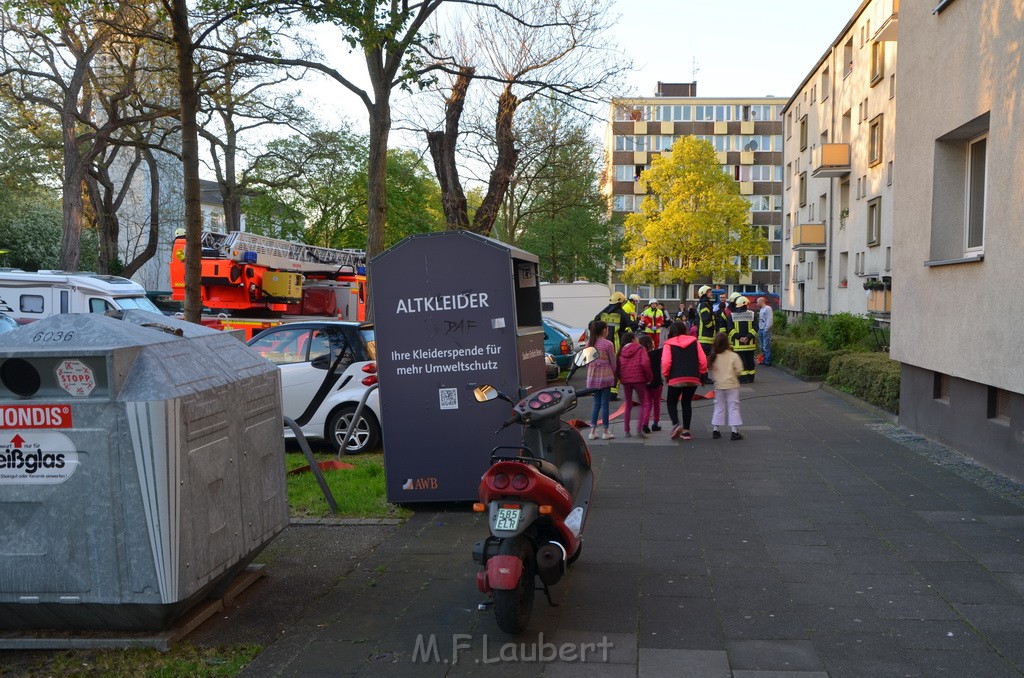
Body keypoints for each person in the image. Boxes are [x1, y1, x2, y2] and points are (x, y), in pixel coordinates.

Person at [661, 320, 707, 441]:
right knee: (686, 403)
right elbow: (703, 360)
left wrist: (666, 375)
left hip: (676, 378)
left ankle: (676, 424)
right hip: (693, 377)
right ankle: (686, 432)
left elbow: (666, 362)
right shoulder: (694, 341)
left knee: (671, 402)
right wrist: (701, 373)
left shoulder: (668, 344)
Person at [595, 292, 636, 399]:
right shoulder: (621, 314)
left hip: (601, 346)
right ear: (620, 302)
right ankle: (612, 393)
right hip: (615, 346)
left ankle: (601, 390)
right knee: (616, 368)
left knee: (602, 367)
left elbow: (592, 323)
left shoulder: (602, 314)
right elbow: (633, 325)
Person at [707, 332, 744, 440]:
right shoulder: (733, 355)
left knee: (719, 407)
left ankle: (716, 429)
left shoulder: (714, 356)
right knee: (733, 407)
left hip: (719, 386)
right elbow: (739, 370)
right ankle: (734, 431)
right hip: (732, 385)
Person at [616, 331, 652, 438]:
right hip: (639, 379)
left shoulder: (621, 351)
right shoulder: (641, 349)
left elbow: (617, 367)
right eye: (635, 337)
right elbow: (645, 363)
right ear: (633, 340)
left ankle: (626, 430)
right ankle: (639, 429)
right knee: (643, 403)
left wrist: (620, 378)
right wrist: (649, 377)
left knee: (628, 404)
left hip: (626, 381)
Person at [585, 321, 617, 441]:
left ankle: (592, 431)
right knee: (605, 404)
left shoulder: (589, 343)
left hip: (592, 377)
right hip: (605, 377)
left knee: (596, 403)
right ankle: (605, 431)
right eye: (607, 328)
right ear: (604, 330)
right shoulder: (608, 344)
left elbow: (587, 363)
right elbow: (613, 362)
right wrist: (614, 373)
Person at [729, 296, 758, 383]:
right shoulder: (752, 314)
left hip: (738, 345)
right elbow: (755, 328)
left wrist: (740, 338)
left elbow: (730, 329)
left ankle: (743, 379)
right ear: (745, 304)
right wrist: (747, 337)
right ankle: (751, 378)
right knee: (750, 362)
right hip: (750, 344)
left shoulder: (732, 315)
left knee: (741, 362)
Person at [638, 334, 663, 433]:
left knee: (647, 404)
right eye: (652, 340)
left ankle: (645, 423)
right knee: (657, 403)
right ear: (649, 344)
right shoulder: (656, 353)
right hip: (656, 383)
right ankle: (655, 423)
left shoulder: (640, 355)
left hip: (645, 383)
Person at [696, 285, 716, 359]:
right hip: (705, 336)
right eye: (709, 292)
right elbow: (706, 320)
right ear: (704, 293)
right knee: (705, 359)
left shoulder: (705, 303)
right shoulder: (704, 304)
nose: (711, 293)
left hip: (706, 336)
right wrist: (712, 326)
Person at [757, 296, 774, 366]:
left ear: (761, 302)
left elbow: (770, 319)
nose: (757, 304)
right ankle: (764, 359)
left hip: (765, 329)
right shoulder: (761, 309)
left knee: (766, 346)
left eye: (757, 302)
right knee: (762, 346)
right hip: (761, 329)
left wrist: (766, 328)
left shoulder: (768, 308)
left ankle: (767, 361)